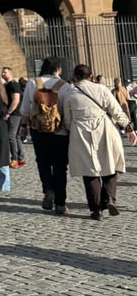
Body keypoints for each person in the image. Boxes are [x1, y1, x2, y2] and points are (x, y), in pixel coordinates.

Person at [62, 63, 136, 220]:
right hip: (104, 129)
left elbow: (67, 120)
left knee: (89, 172)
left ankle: (96, 209)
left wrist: (72, 130)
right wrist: (129, 129)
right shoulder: (101, 89)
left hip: (81, 132)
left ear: (75, 76)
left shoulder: (70, 94)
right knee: (111, 165)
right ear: (91, 76)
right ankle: (109, 197)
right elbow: (116, 111)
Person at [20, 57, 71, 215]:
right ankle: (61, 204)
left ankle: (48, 189)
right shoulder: (65, 86)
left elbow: (26, 108)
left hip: (38, 130)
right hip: (59, 131)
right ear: (58, 69)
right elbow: (67, 109)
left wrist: (23, 127)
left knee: (42, 162)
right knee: (60, 167)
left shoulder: (33, 83)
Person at [1, 66, 24, 167]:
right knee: (16, 136)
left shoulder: (14, 85)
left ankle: (14, 159)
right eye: (2, 72)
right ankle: (21, 158)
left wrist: (8, 112)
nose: (3, 74)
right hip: (13, 113)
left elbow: (16, 100)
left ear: (10, 73)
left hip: (14, 114)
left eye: (5, 72)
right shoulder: (6, 85)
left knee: (11, 136)